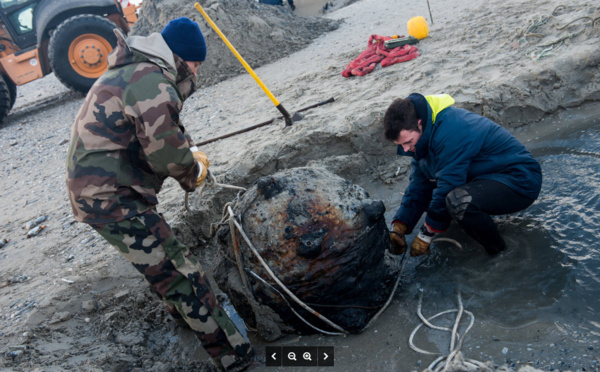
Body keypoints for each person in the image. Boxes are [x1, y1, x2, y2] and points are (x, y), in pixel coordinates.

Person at [66, 17, 256, 371]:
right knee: (182, 272)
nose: (197, 72)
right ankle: (236, 355)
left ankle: (186, 319)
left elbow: (160, 128)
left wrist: (188, 147)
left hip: (102, 191)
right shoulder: (151, 81)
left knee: (160, 261)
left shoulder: (139, 71)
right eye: (196, 64)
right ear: (182, 59)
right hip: (112, 197)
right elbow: (168, 157)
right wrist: (194, 170)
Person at [383, 93, 542, 256]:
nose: (406, 150)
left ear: (419, 124)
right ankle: (471, 223)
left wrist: (426, 234)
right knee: (432, 197)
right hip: (483, 178)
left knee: (458, 201)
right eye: (401, 145)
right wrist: (400, 225)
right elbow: (419, 184)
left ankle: (500, 253)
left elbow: (449, 184)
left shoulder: (451, 130)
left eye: (408, 142)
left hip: (519, 179)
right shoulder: (423, 137)